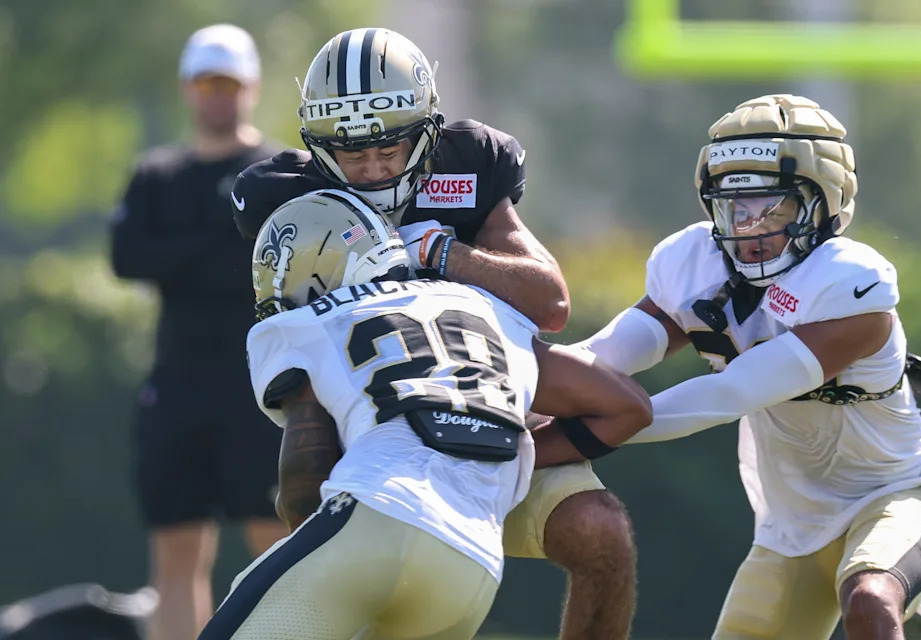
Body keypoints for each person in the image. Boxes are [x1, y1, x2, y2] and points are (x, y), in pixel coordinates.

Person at [229, 28, 638, 639]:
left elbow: (549, 302)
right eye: (350, 153)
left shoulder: (469, 164)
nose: (370, 170)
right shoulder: (285, 199)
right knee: (318, 486)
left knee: (600, 529)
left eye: (388, 150)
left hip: (477, 395)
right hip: (369, 430)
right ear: (318, 147)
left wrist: (447, 256)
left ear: (426, 132)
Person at [573, 93, 921, 639]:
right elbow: (600, 356)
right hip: (792, 525)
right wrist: (518, 389)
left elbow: (728, 394)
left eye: (772, 208)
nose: (751, 228)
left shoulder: (851, 287)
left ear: (824, 203)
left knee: (871, 602)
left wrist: (576, 435)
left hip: (896, 494)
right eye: (736, 208)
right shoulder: (697, 265)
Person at [197, 189, 652, 639]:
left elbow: (304, 479)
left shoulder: (312, 322)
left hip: (375, 516)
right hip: (471, 568)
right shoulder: (490, 310)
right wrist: (511, 457)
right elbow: (627, 407)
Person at [109, 24, 287, 640]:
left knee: (276, 549)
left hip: (259, 395)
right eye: (208, 83)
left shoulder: (275, 172)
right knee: (177, 557)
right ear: (188, 88)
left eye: (230, 84)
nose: (219, 96)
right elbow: (126, 256)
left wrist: (182, 257)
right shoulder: (156, 175)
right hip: (177, 390)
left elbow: (273, 266)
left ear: (252, 88)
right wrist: (217, 252)